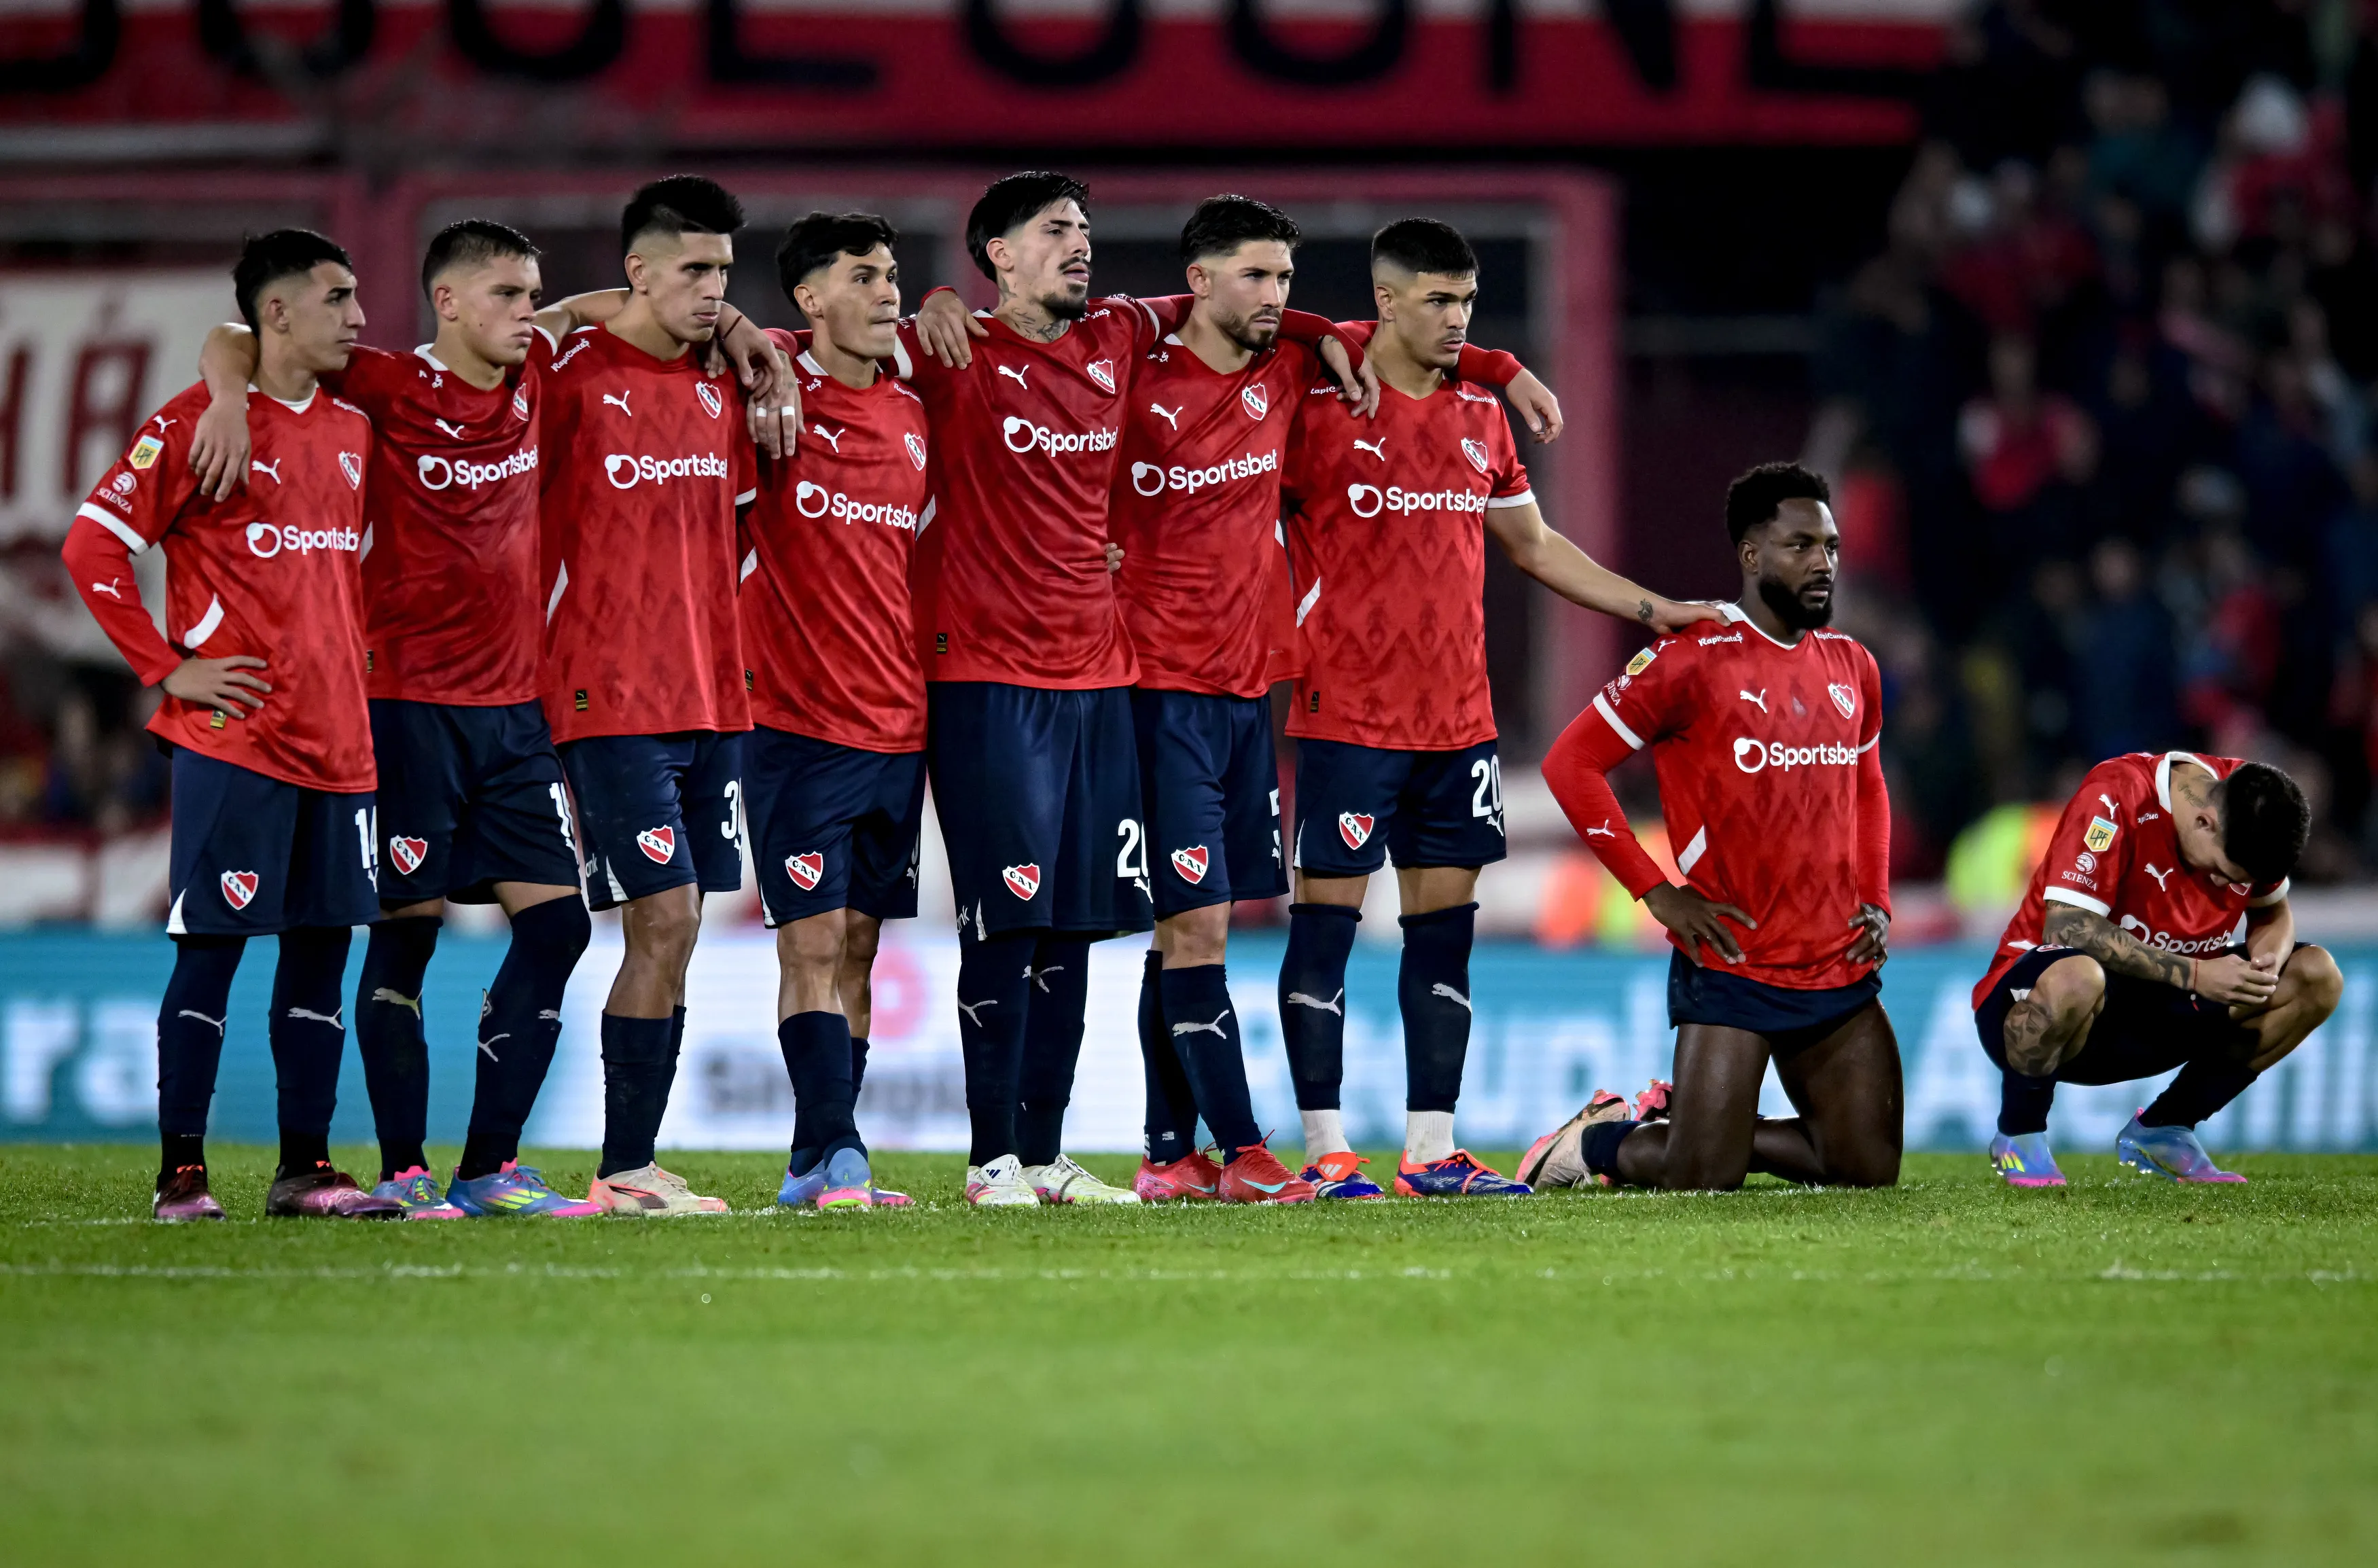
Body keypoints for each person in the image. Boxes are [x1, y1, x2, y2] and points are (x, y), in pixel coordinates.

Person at [894, 171, 1364, 1207]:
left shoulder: (1115, 335)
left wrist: (1323, 327)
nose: (1080, 243)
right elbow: (825, 344)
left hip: (1102, 677)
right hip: (994, 675)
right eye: (1055, 230)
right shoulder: (953, 353)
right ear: (998, 253)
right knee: (1012, 925)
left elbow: (1233, 305)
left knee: (1074, 930)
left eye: (1086, 230)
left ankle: (1055, 1153)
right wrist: (923, 305)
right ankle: (992, 1161)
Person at [1273, 218, 1716, 1198]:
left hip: (1458, 723)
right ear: (1385, 301)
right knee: (1326, 930)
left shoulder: (1481, 413)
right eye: (1435, 299)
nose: (1455, 318)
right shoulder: (1316, 399)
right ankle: (1323, 1151)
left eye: (1466, 302)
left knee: (1445, 935)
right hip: (1346, 714)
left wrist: (1655, 608)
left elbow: (1536, 546)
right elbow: (1250, 324)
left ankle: (1432, 1151)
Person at [63, 230, 398, 1220]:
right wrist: (167, 670)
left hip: (341, 747)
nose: (360, 316)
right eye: (338, 298)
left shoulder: (353, 432)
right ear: (280, 312)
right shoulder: (201, 426)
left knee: (321, 961)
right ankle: (182, 1177)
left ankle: (305, 1169)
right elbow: (93, 546)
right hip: (237, 742)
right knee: (211, 950)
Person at [1527, 462, 1901, 1192]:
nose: (1821, 563)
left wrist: (1877, 899)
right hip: (1732, 959)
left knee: (1864, 1168)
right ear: (1751, 555)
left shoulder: (1851, 665)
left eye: (1829, 546)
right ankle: (1600, 1144)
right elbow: (1569, 766)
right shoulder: (1690, 659)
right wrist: (1657, 892)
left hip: (1835, 960)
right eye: (1799, 546)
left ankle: (1703, 1126)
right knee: (1700, 1180)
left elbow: (1868, 789)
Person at [541, 175, 760, 1215]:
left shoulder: (728, 380)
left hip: (713, 697)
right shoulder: (570, 373)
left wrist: (744, 334)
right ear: (636, 271)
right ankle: (622, 1165)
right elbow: (508, 338)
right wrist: (577, 309)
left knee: (683, 926)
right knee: (662, 919)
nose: (715, 290)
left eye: (725, 270)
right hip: (607, 695)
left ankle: (640, 1157)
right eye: (694, 270)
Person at [740, 211, 929, 1211]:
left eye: (893, 271)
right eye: (864, 274)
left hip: (899, 726)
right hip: (796, 725)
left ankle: (817, 1162)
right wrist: (746, 339)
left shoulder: (913, 412)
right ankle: (836, 1153)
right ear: (810, 300)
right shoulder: (768, 387)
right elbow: (692, 317)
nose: (887, 290)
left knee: (859, 944)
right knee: (809, 943)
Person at [1970, 752, 2339, 1185]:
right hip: (2050, 1004)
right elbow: (2068, 924)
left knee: (2316, 976)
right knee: (2077, 976)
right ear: (2205, 822)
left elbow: (2273, 913)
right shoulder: (2116, 795)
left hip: (2159, 1010)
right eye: (2221, 872)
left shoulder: (2253, 801)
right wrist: (2200, 975)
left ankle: (2165, 1128)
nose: (2221, 886)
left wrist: (2265, 966)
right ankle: (2020, 1134)